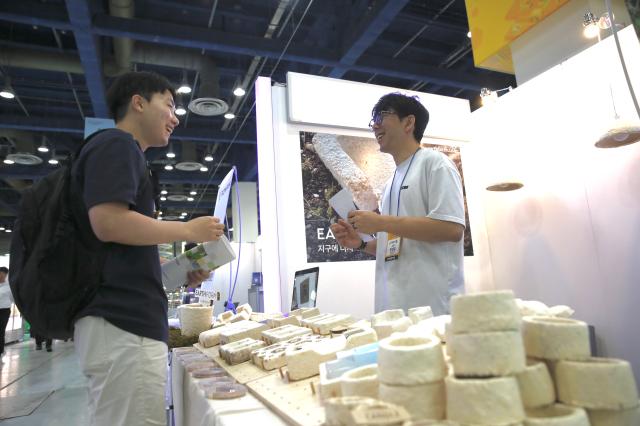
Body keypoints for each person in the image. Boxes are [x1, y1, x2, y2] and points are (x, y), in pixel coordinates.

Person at [72, 71, 225, 426]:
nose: (175, 117)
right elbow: (107, 222)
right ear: (138, 102)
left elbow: (118, 248)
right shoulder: (117, 144)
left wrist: (182, 271)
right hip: (123, 323)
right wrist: (187, 228)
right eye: (169, 104)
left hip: (121, 324)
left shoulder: (121, 151)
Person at [330, 93, 466, 315]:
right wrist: (360, 244)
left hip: (433, 307)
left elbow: (451, 229)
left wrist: (382, 222)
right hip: (393, 308)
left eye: (382, 116)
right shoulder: (390, 183)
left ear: (409, 122)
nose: (375, 126)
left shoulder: (436, 164)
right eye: (373, 121)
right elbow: (395, 244)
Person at [0, 266, 12, 357]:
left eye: (3, 275)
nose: (1, 277)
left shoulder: (9, 286)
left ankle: (0, 350)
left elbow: (13, 299)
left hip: (4, 311)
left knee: (1, 330)